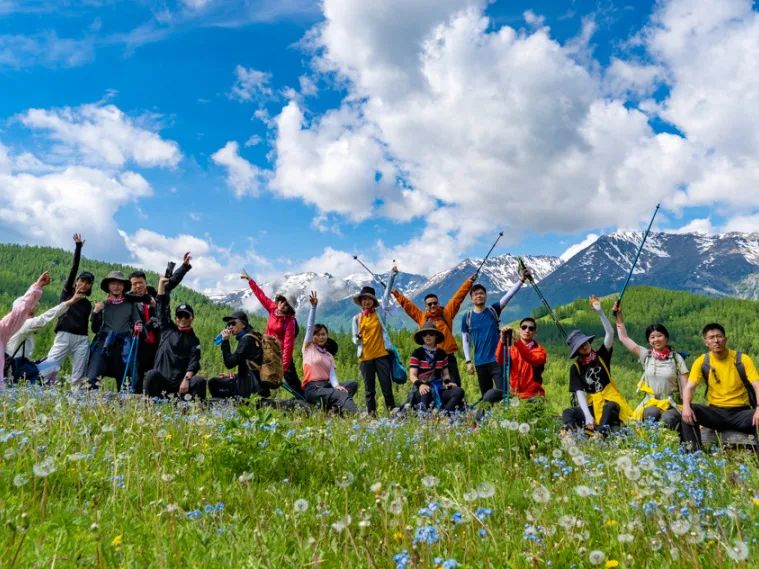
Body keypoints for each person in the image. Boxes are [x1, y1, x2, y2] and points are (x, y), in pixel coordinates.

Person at [681, 323, 759, 450]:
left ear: (725, 339)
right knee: (688, 411)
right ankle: (695, 456)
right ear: (706, 342)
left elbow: (757, 384)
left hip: (741, 413)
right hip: (716, 413)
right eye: (711, 338)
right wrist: (685, 406)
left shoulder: (742, 359)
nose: (716, 340)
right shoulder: (702, 361)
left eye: (719, 336)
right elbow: (689, 387)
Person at [561, 295, 632, 436]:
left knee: (610, 407)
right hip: (592, 403)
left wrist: (600, 312)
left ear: (589, 342)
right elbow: (580, 393)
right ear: (577, 351)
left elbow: (610, 334)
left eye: (585, 343)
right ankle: (569, 434)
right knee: (568, 412)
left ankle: (599, 434)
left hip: (610, 399)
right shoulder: (576, 368)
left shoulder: (601, 356)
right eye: (580, 346)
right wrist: (587, 416)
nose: (585, 347)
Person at [613, 301, 687, 430]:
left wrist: (687, 406)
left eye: (659, 336)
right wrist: (619, 316)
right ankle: (650, 445)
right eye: (652, 337)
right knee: (650, 414)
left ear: (666, 338)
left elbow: (686, 387)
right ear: (649, 340)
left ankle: (669, 446)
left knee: (668, 419)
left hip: (672, 403)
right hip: (650, 402)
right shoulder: (646, 355)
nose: (656, 339)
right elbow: (624, 338)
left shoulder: (676, 358)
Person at [393, 271, 475, 386]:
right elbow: (408, 306)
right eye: (429, 304)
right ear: (425, 306)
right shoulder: (421, 318)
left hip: (448, 357)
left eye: (434, 303)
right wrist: (396, 294)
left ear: (438, 303)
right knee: (434, 387)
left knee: (455, 386)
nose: (432, 305)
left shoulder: (446, 313)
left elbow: (457, 298)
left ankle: (458, 404)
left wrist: (469, 282)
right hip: (429, 361)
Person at [462, 266, 531, 397]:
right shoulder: (467, 317)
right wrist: (468, 361)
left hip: (497, 360)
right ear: (471, 298)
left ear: (485, 296)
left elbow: (508, 295)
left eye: (481, 293)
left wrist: (521, 280)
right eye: (475, 294)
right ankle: (490, 417)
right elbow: (465, 340)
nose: (479, 295)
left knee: (503, 394)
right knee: (486, 396)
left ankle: (506, 415)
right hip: (479, 362)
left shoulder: (493, 310)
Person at [128, 252, 193, 393]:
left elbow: (170, 282)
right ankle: (137, 401)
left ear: (146, 283)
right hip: (140, 342)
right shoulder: (129, 300)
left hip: (159, 341)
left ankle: (160, 400)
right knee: (138, 372)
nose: (138, 286)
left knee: (157, 372)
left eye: (140, 283)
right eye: (134, 284)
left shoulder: (155, 294)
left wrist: (184, 266)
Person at [143, 276, 206, 400]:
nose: (182, 319)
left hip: (181, 384)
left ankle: (196, 413)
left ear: (191, 318)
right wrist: (161, 285)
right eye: (179, 316)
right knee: (151, 374)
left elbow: (194, 362)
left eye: (186, 316)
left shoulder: (194, 340)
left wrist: (187, 380)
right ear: (176, 318)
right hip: (162, 381)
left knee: (199, 381)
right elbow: (161, 306)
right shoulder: (167, 329)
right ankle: (148, 409)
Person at [45, 234, 94, 388]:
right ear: (76, 282)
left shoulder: (87, 304)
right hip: (64, 336)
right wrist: (78, 248)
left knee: (78, 376)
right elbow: (74, 268)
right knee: (49, 368)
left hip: (82, 340)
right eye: (82, 281)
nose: (84, 285)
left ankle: (75, 404)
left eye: (88, 283)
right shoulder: (67, 293)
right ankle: (42, 394)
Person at [240, 270, 300, 395]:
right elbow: (260, 296)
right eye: (283, 301)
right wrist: (250, 281)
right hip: (266, 348)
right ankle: (261, 395)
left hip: (280, 353)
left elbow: (288, 345)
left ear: (290, 308)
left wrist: (283, 367)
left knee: (291, 380)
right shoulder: (272, 309)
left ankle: (303, 399)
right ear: (278, 301)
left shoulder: (290, 322)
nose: (284, 305)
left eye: (287, 305)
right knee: (258, 369)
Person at [6, 290, 87, 382]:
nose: (34, 311)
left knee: (52, 364)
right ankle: (44, 390)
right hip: (17, 370)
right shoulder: (23, 325)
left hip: (18, 367)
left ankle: (44, 388)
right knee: (53, 365)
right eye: (30, 310)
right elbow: (44, 318)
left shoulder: (11, 325)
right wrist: (70, 302)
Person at [301, 291, 358, 414]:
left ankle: (334, 410)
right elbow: (310, 327)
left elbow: (332, 375)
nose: (321, 337)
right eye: (318, 335)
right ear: (313, 336)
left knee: (351, 385)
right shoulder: (308, 348)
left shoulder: (328, 355)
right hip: (313, 388)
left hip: (327, 386)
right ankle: (357, 414)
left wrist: (337, 385)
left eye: (324, 334)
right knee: (338, 394)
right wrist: (313, 307)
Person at [86, 271, 143, 391]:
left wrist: (138, 326)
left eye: (119, 284)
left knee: (126, 381)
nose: (116, 286)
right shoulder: (101, 305)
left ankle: (124, 407)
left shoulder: (130, 305)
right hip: (103, 343)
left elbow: (137, 321)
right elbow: (95, 329)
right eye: (113, 283)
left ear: (123, 287)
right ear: (108, 286)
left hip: (123, 344)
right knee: (92, 378)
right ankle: (90, 405)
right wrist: (95, 313)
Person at [352, 269, 398, 415]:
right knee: (369, 390)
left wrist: (392, 276)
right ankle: (372, 416)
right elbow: (354, 338)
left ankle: (392, 413)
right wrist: (357, 339)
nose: (366, 301)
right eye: (363, 299)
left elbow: (386, 294)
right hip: (365, 358)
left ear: (373, 301)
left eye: (369, 299)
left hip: (381, 355)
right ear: (360, 301)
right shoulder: (356, 318)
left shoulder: (380, 314)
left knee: (386, 386)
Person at [482, 318, 547, 404]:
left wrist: (517, 342)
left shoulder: (540, 351)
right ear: (520, 330)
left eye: (531, 328)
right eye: (524, 327)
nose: (527, 330)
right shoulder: (513, 349)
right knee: (489, 395)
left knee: (530, 404)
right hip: (514, 394)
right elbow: (500, 359)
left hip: (532, 395)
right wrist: (502, 340)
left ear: (535, 333)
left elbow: (530, 357)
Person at [1, 272, 48, 388]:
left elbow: (21, 309)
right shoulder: (7, 328)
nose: (33, 310)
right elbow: (20, 310)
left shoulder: (4, 329)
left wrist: (37, 287)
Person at [408, 321, 465, 413]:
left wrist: (448, 383)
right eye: (424, 334)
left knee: (459, 391)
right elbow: (412, 375)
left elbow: (445, 374)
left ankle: (445, 414)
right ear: (421, 337)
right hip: (422, 388)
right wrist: (421, 385)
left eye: (431, 334)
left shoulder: (442, 354)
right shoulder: (417, 353)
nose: (428, 336)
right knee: (426, 393)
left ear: (436, 336)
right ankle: (424, 418)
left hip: (438, 388)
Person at [207, 310, 265, 399]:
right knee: (219, 381)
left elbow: (229, 363)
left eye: (233, 323)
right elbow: (249, 367)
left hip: (250, 388)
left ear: (244, 324)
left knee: (213, 383)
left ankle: (222, 410)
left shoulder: (246, 340)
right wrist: (232, 376)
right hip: (255, 383)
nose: (230, 327)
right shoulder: (252, 336)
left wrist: (225, 342)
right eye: (228, 324)